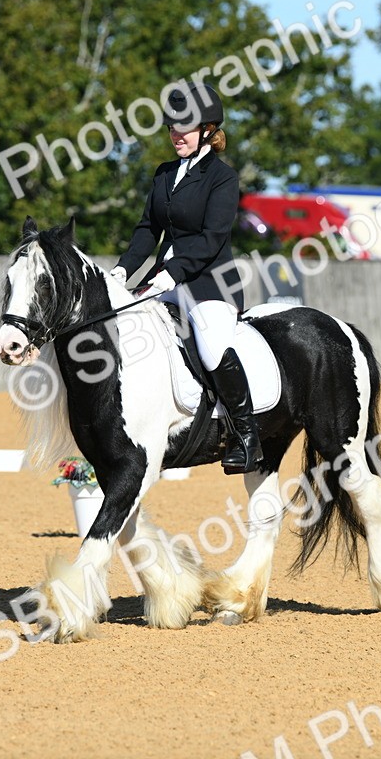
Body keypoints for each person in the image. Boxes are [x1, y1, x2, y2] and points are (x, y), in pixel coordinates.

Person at [110, 83, 261, 475]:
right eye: (172, 127)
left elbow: (212, 238)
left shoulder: (222, 179)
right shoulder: (163, 174)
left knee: (211, 347)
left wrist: (171, 274)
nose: (176, 135)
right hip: (164, 282)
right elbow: (148, 230)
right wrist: (124, 269)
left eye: (185, 128)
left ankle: (246, 435)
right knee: (132, 334)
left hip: (211, 285)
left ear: (209, 129)